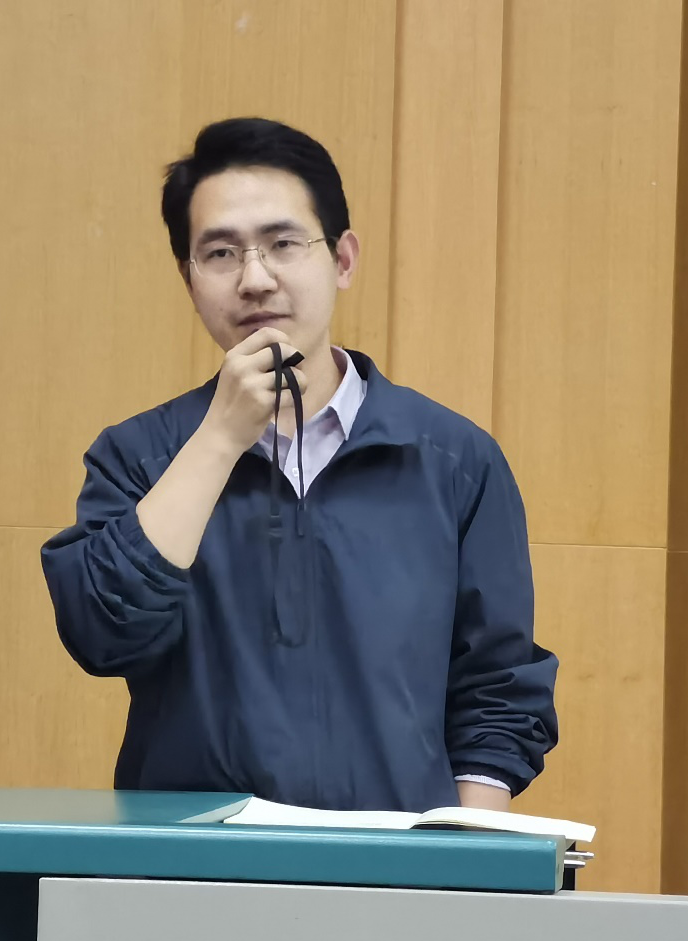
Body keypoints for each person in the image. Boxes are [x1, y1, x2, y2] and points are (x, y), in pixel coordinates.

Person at [41, 117, 557, 813]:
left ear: (342, 259)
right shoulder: (138, 456)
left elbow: (497, 685)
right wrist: (218, 439)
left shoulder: (452, 460)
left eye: (283, 244)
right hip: (191, 861)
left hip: (392, 864)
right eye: (220, 254)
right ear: (189, 280)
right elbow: (103, 636)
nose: (255, 280)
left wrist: (463, 855)